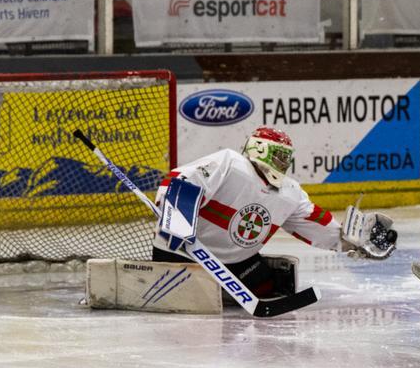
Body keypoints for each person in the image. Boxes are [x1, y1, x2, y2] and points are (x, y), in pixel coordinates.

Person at [152, 126, 398, 300]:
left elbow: (315, 223)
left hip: (235, 264)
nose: (283, 163)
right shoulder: (231, 162)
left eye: (286, 158)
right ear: (259, 149)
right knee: (193, 304)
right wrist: (176, 219)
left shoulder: (290, 191)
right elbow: (181, 180)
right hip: (183, 254)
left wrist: (354, 241)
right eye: (278, 156)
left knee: (272, 285)